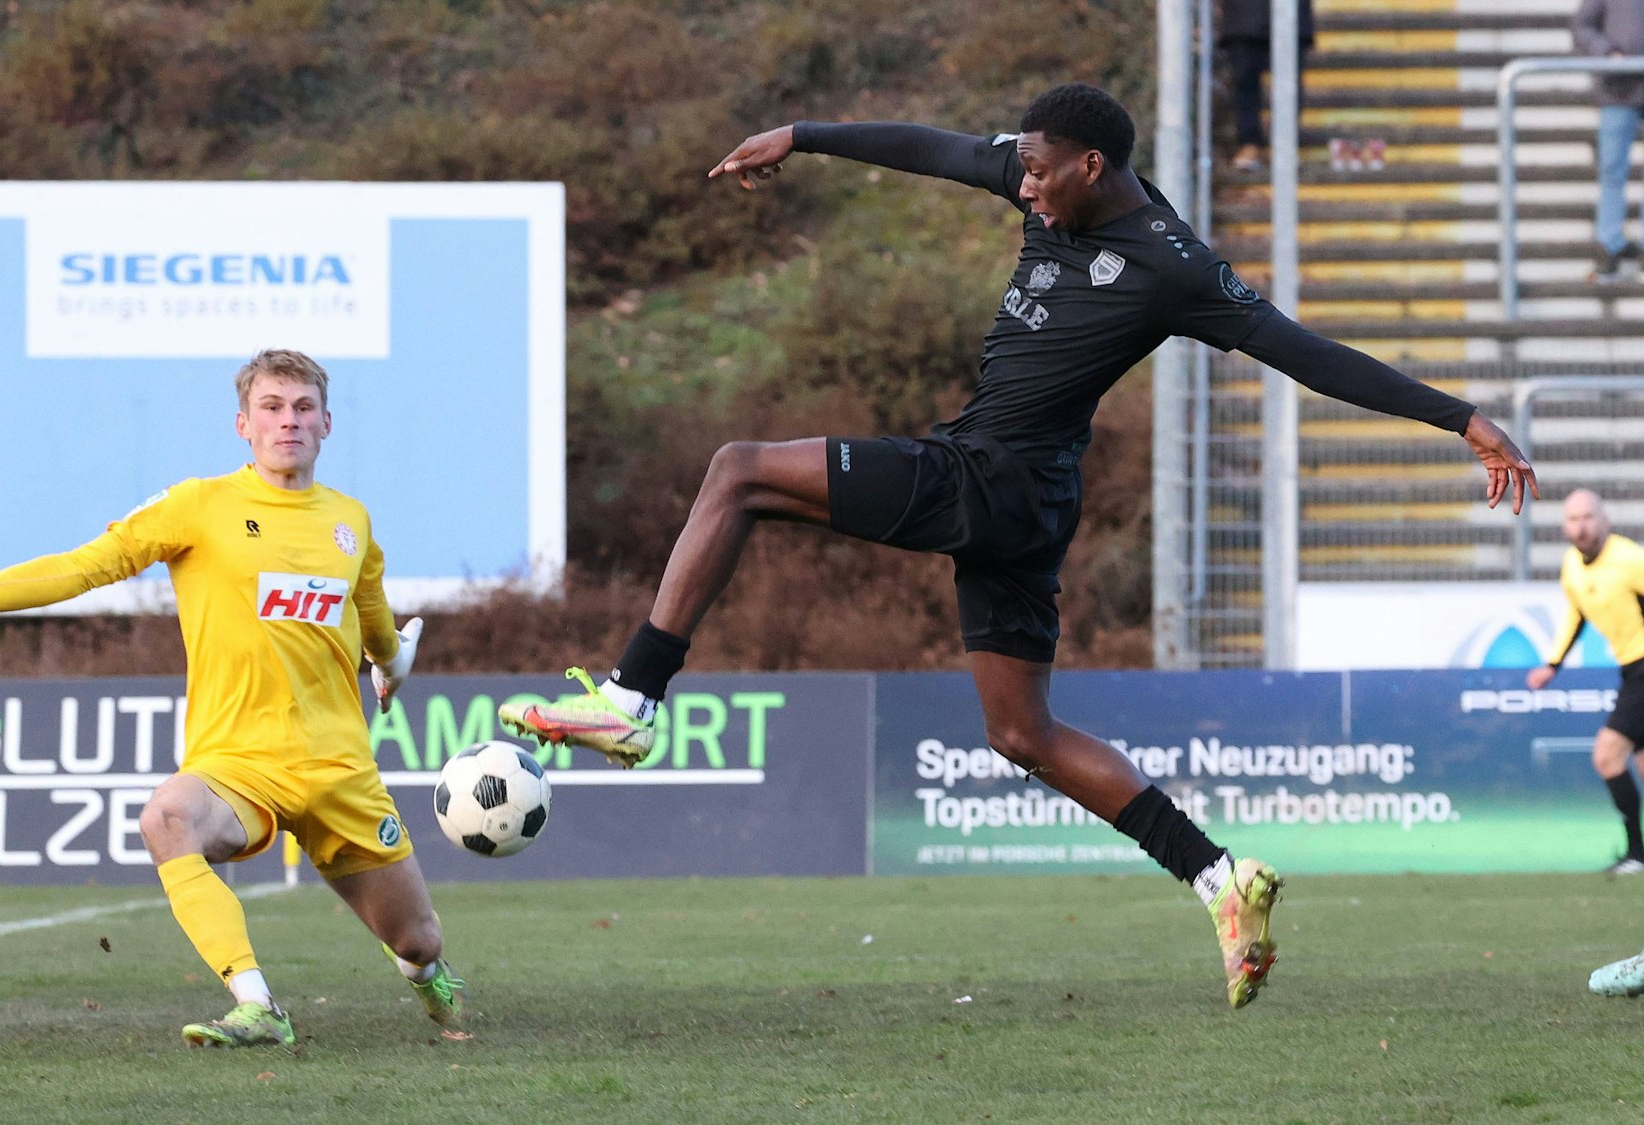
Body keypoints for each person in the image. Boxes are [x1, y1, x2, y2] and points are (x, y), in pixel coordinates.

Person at [500, 83, 1540, 1010]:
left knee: (736, 470)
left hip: (984, 481)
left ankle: (633, 701)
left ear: (1092, 167)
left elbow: (1307, 355)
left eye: (1039, 175)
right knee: (1019, 733)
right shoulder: (1044, 174)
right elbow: (937, 149)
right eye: (1024, 171)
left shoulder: (1174, 270)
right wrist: (802, 135)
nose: (1024, 189)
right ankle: (1219, 878)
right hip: (1030, 500)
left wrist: (1460, 419)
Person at [0, 349, 464, 1047]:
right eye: (272, 407)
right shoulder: (198, 505)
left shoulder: (351, 522)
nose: (289, 420)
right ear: (243, 425)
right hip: (237, 763)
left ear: (327, 422)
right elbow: (83, 567)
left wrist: (392, 659)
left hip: (339, 768)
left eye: (303, 407)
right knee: (166, 816)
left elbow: (371, 612)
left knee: (417, 939)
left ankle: (422, 970)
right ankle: (257, 1005)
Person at [1525, 488, 1644, 875]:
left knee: (1607, 756)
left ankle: (1636, 854)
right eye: (1573, 519)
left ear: (1604, 520)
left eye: (1588, 517)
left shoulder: (1629, 560)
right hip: (1630, 668)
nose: (1581, 526)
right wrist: (1552, 664)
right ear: (1564, 527)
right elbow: (1576, 615)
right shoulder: (1572, 567)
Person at [1573, 0, 1644, 282]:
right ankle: (1610, 247)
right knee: (1612, 169)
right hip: (1618, 90)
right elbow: (1582, 25)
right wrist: (1606, 52)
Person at [1218, 0, 1315, 172]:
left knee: (1288, 83)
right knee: (1244, 78)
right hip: (1242, 16)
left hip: (1289, 15)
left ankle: (1284, 144)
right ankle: (1250, 143)